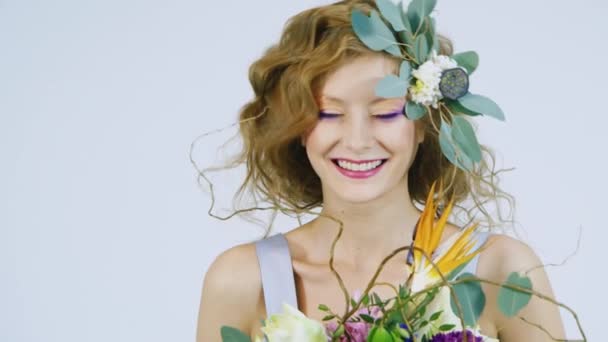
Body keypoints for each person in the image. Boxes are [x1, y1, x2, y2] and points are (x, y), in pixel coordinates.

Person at [196, 0, 566, 341]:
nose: (357, 141)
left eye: (385, 112)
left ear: (425, 123)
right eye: (328, 113)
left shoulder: (500, 270)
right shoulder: (242, 281)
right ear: (296, 128)